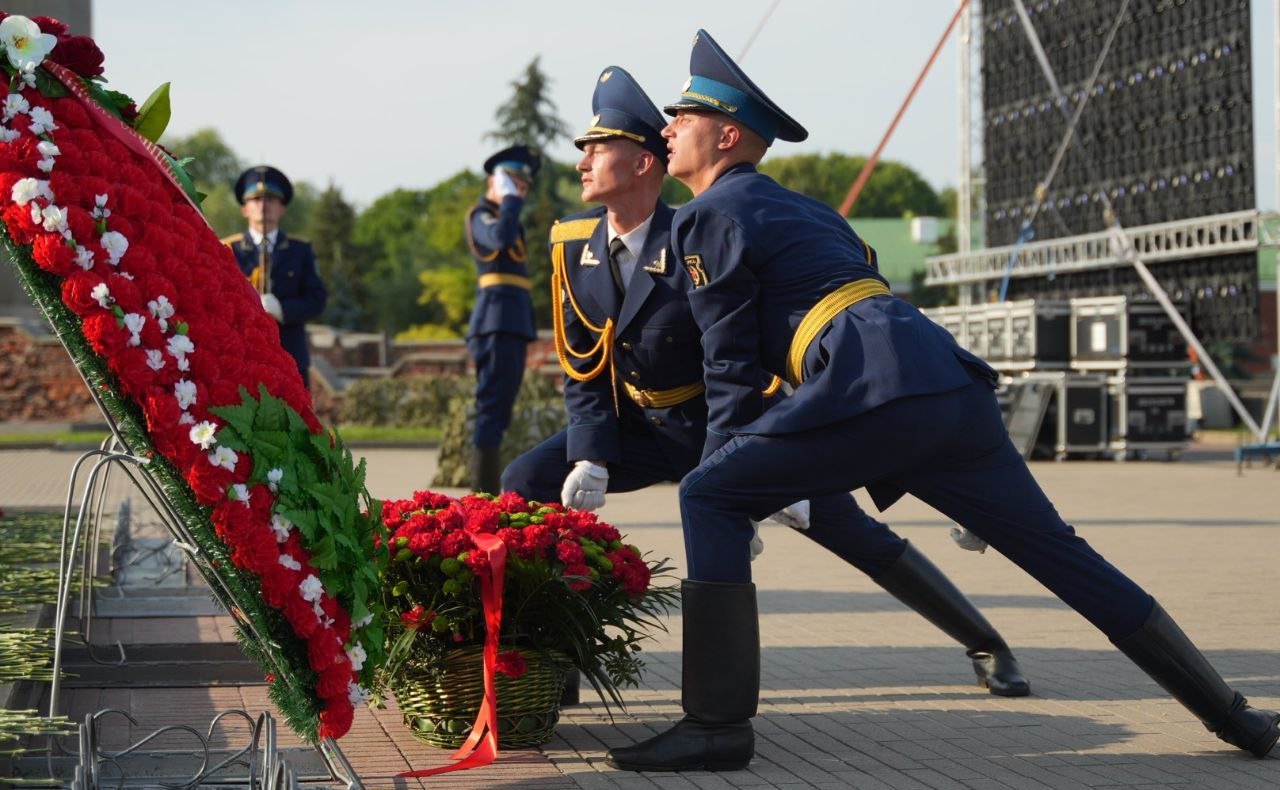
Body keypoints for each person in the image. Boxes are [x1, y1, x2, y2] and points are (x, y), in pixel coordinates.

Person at [605, 30, 1280, 772]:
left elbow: (729, 365)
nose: (665, 129)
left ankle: (715, 726)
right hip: (943, 381)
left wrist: (733, 475)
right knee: (1060, 555)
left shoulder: (707, 213)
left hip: (870, 386)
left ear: (726, 136)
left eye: (682, 119)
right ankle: (1236, 718)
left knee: (706, 494)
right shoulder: (808, 209)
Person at [503, 64, 1028, 710]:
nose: (582, 159)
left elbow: (750, 350)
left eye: (598, 146)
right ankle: (556, 664)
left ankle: (985, 643)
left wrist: (761, 453)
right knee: (525, 482)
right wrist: (589, 449)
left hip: (730, 420)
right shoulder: (571, 247)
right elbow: (583, 362)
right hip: (638, 428)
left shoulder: (702, 227)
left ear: (644, 163)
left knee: (856, 534)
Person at [465, 144, 540, 493]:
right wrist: (508, 203)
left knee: (501, 411)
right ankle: (483, 497)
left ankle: (486, 493)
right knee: (491, 409)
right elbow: (500, 238)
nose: (519, 192)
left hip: (512, 322)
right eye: (512, 183)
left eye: (523, 187)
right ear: (495, 181)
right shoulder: (482, 215)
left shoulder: (509, 219)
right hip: (495, 321)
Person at [223, 165, 326, 388]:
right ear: (245, 208)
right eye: (256, 199)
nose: (263, 205)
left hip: (290, 353)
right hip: (242, 353)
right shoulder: (227, 250)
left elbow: (317, 301)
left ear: (282, 208)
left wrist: (283, 309)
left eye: (271, 199)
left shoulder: (300, 250)